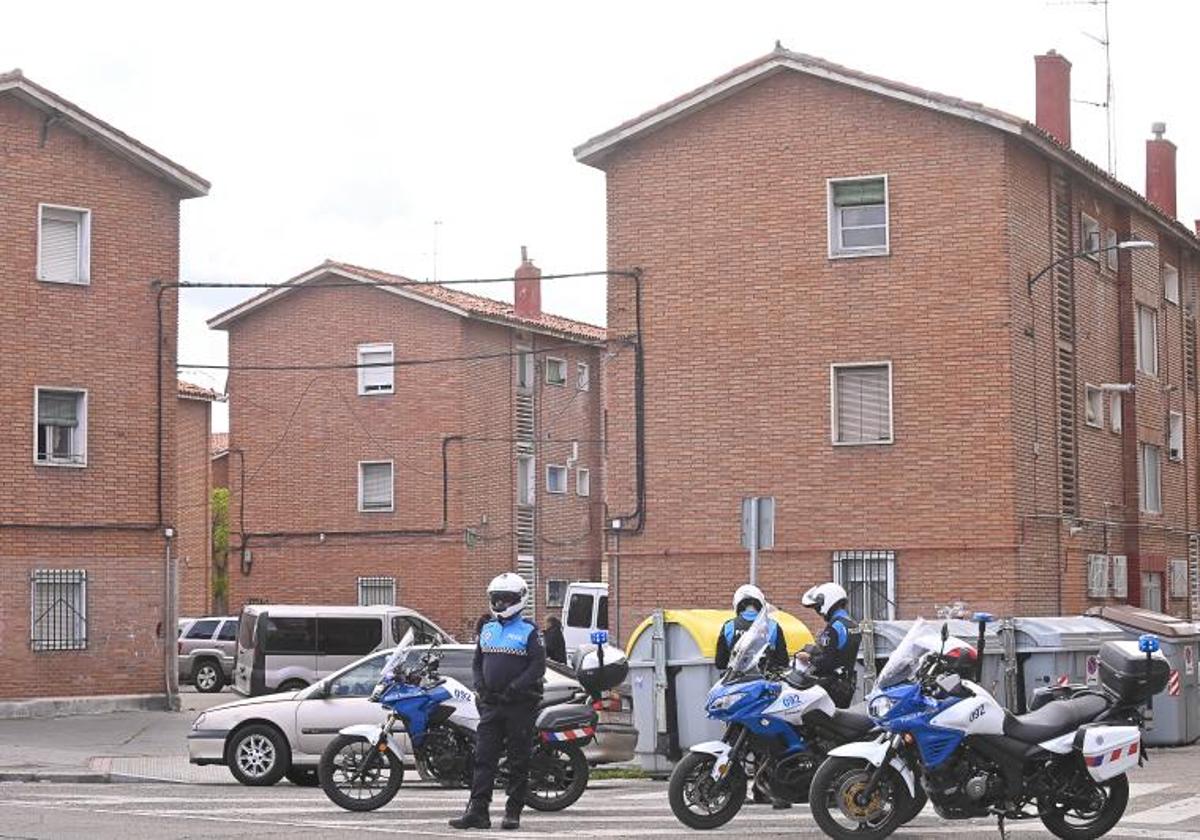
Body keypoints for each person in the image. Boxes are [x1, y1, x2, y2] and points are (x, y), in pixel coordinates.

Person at [450, 573, 545, 831]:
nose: (501, 604)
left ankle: (512, 812)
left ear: (519, 600)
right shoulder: (488, 629)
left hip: (520, 705)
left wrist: (514, 689)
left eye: (506, 599)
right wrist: (480, 687)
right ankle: (478, 811)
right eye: (497, 599)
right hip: (491, 704)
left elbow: (537, 667)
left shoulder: (530, 631)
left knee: (518, 759)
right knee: (483, 758)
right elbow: (478, 662)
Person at [797, 582, 861, 709]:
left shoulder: (834, 627)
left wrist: (808, 658)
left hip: (832, 686)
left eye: (818, 607)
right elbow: (840, 654)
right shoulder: (852, 624)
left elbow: (827, 661)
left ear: (828, 601)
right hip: (847, 684)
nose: (818, 612)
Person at [714, 583, 789, 672]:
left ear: (737, 603)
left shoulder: (729, 627)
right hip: (765, 682)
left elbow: (720, 663)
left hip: (736, 681)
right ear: (761, 602)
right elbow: (783, 661)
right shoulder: (773, 626)